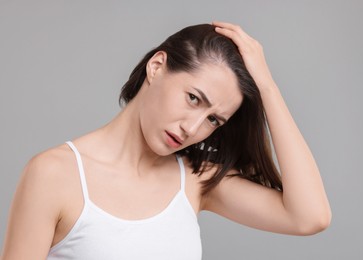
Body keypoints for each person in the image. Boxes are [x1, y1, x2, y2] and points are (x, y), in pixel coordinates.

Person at [0, 21, 331, 259]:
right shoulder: (54, 174)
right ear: (157, 66)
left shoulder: (197, 181)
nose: (193, 127)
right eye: (193, 98)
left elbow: (310, 217)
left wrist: (268, 87)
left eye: (214, 120)